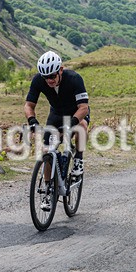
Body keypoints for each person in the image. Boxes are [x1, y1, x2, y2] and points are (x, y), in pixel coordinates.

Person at [24, 51, 89, 211]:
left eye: (52, 76)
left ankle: (78, 160)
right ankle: (48, 191)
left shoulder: (74, 78)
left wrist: (71, 125)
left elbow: (84, 108)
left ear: (60, 70)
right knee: (47, 150)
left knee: (81, 127)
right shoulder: (39, 80)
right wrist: (32, 121)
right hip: (57, 114)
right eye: (46, 77)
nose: (49, 80)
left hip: (76, 113)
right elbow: (29, 105)